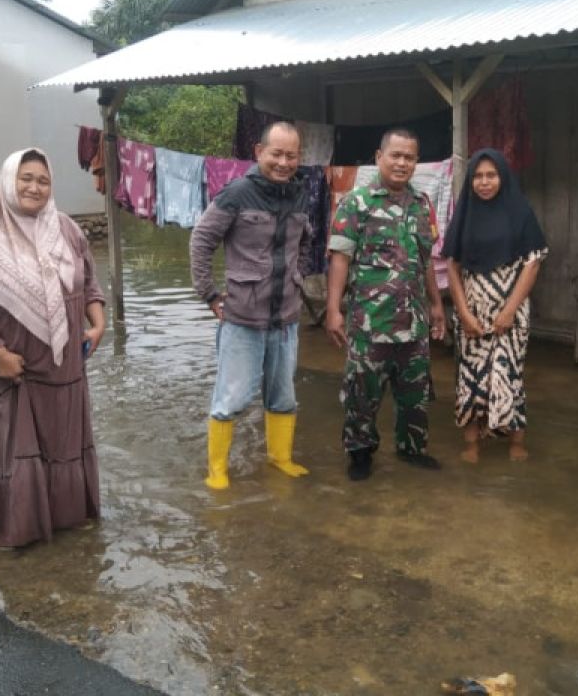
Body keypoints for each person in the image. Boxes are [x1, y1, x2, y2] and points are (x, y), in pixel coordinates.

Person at [0, 148, 106, 548]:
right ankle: (17, 529)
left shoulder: (67, 230)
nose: (35, 187)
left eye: (43, 180)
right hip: (12, 372)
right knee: (15, 450)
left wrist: (98, 321)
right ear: (7, 181)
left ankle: (65, 522)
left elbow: (88, 281)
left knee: (64, 443)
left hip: (64, 368)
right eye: (26, 178)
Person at [189, 121, 312, 490]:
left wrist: (298, 276)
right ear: (259, 152)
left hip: (286, 317)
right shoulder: (237, 193)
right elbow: (201, 240)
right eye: (276, 153)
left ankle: (281, 459)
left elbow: (304, 244)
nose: (283, 162)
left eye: (291, 155)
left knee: (283, 394)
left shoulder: (301, 195)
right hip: (242, 317)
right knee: (232, 396)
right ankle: (217, 471)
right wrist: (210, 293)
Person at [326, 128, 447, 481]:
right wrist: (334, 309)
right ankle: (360, 453)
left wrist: (437, 305)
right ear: (379, 157)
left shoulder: (422, 205)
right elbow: (340, 259)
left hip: (414, 322)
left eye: (409, 157)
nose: (402, 163)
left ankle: (412, 449)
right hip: (370, 323)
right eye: (395, 155)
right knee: (363, 392)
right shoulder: (357, 203)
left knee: (415, 392)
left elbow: (424, 262)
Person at [442, 149, 548, 463]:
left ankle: (515, 438)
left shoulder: (520, 212)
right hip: (472, 310)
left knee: (508, 372)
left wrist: (509, 310)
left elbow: (533, 262)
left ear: (502, 177)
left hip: (510, 310)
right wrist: (461, 311)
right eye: (477, 176)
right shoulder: (465, 213)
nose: (484, 182)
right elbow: (453, 265)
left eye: (491, 175)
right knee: (471, 374)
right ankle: (473, 442)